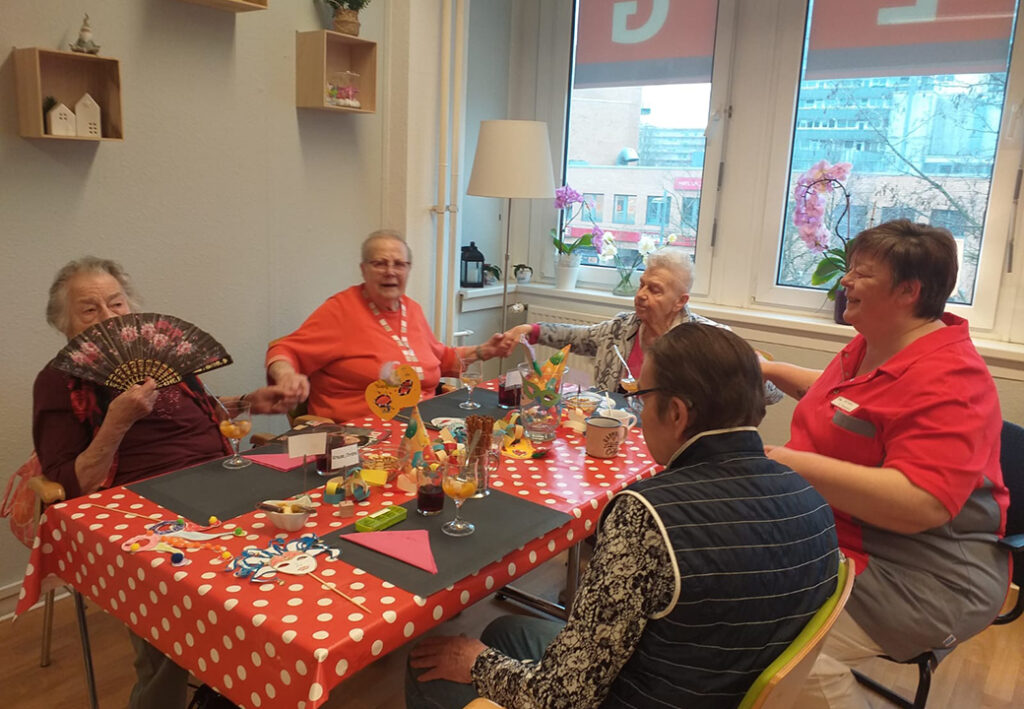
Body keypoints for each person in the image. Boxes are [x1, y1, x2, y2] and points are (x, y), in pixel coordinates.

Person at [406, 323, 840, 709]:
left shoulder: (648, 516)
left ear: (676, 413)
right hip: (714, 682)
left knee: (431, 666)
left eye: (640, 396)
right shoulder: (812, 498)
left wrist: (476, 666)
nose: (636, 407)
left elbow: (563, 697)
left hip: (639, 694)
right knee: (505, 632)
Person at [759, 220, 1010, 709]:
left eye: (861, 273)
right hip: (839, 537)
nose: (845, 280)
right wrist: (766, 368)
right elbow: (844, 401)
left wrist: (784, 463)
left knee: (769, 644)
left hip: (925, 577)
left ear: (908, 291)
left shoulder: (952, 380)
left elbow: (921, 503)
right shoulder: (875, 344)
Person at [33, 256, 301, 709]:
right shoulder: (59, 382)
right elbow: (69, 486)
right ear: (65, 325)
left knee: (294, 558)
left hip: (220, 481)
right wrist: (116, 423)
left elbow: (202, 411)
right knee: (172, 621)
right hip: (141, 509)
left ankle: (240, 687)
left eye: (116, 304)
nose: (108, 317)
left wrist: (248, 402)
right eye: (90, 309)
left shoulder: (161, 356)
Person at [266, 230, 505, 423]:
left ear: (408, 269)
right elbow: (284, 350)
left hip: (425, 427)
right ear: (363, 269)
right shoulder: (340, 310)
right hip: (357, 436)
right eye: (380, 263)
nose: (390, 271)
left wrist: (484, 350)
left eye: (399, 264)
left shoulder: (412, 309)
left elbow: (440, 358)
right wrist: (286, 375)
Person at [500, 248, 783, 403]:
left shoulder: (706, 340)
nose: (641, 295)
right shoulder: (622, 327)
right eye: (642, 285)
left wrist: (755, 367)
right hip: (613, 433)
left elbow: (771, 395)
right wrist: (531, 331)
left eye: (655, 290)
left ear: (679, 301)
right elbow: (580, 337)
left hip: (672, 450)